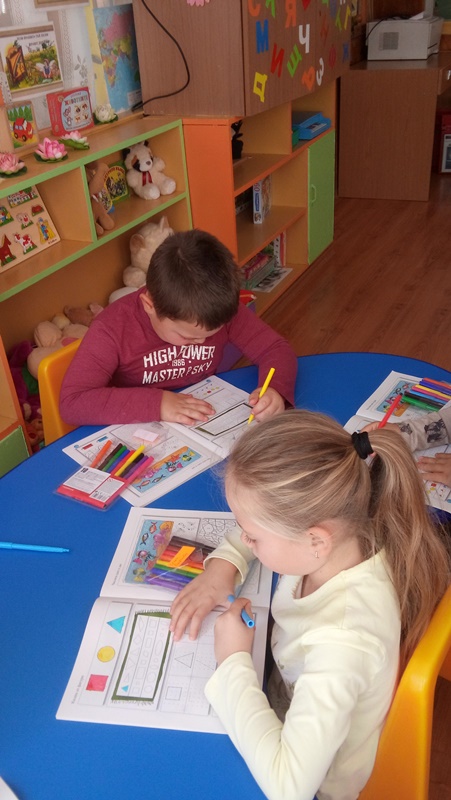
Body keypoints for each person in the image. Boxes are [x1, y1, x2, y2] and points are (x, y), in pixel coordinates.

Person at [170, 410, 451, 800]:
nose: (246, 540)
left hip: (319, 781)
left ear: (316, 540)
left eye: (252, 538)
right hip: (292, 691)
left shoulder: (343, 644)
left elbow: (289, 788)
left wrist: (232, 660)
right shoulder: (348, 524)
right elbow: (267, 518)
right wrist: (223, 566)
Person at [60, 229, 297, 426]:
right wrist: (159, 404)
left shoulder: (216, 306)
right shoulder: (111, 329)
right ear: (150, 306)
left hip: (203, 412)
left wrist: (274, 390)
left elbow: (274, 348)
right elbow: (73, 402)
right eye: (188, 337)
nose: (201, 342)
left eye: (211, 335)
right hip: (138, 426)